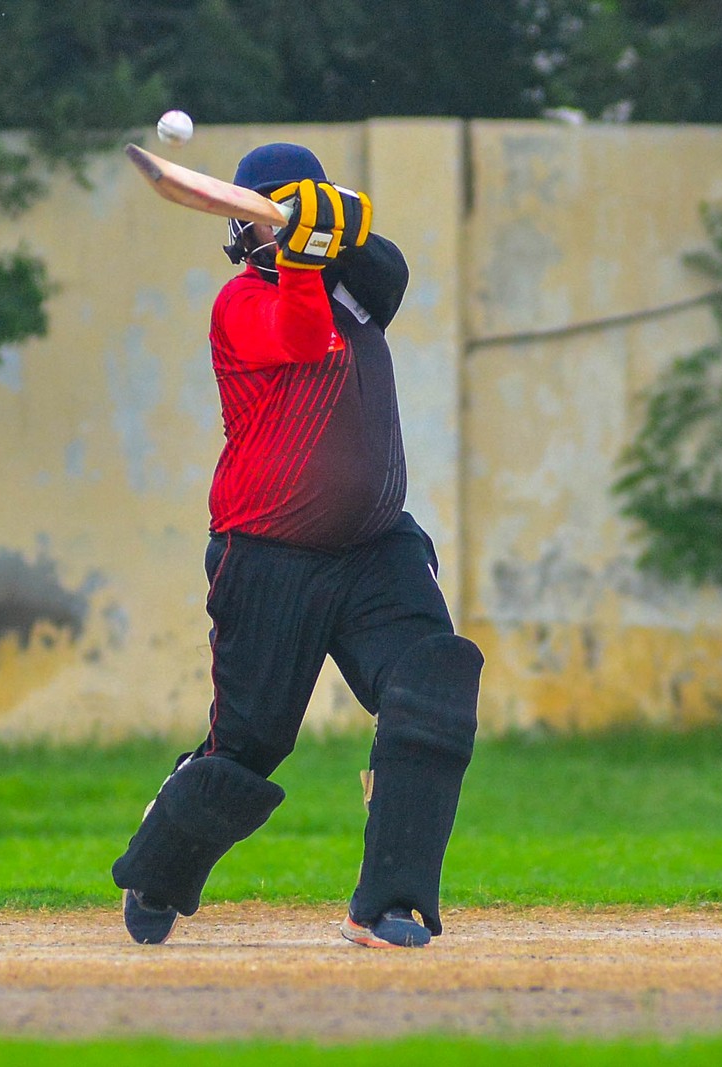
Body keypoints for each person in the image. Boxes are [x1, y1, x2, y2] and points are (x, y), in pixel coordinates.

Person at [111, 143, 483, 949]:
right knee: (248, 749)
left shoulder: (360, 290)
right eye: (264, 218)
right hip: (267, 553)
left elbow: (389, 270)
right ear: (240, 230)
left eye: (285, 213)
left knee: (434, 685)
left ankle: (390, 902)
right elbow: (305, 336)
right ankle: (159, 862)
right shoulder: (240, 302)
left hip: (377, 547)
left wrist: (333, 228)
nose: (272, 231)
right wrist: (303, 256)